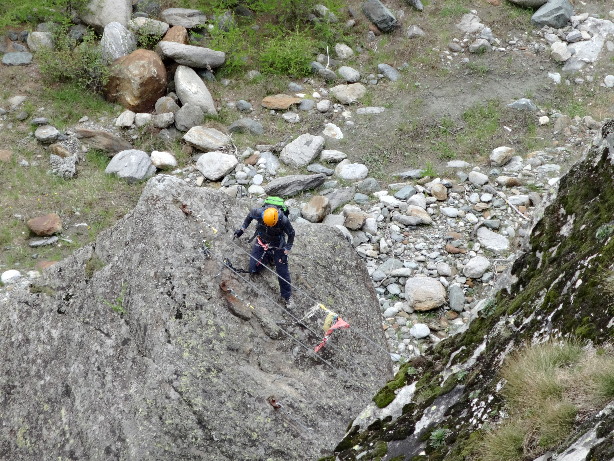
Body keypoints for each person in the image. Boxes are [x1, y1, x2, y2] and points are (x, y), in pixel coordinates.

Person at [234, 205, 295, 305]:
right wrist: (242, 229)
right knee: (253, 269)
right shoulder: (258, 212)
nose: (269, 226)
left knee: (282, 270)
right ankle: (269, 255)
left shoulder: (283, 221)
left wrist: (286, 251)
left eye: (271, 225)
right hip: (262, 240)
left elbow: (291, 234)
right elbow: (249, 216)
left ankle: (287, 297)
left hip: (277, 244)